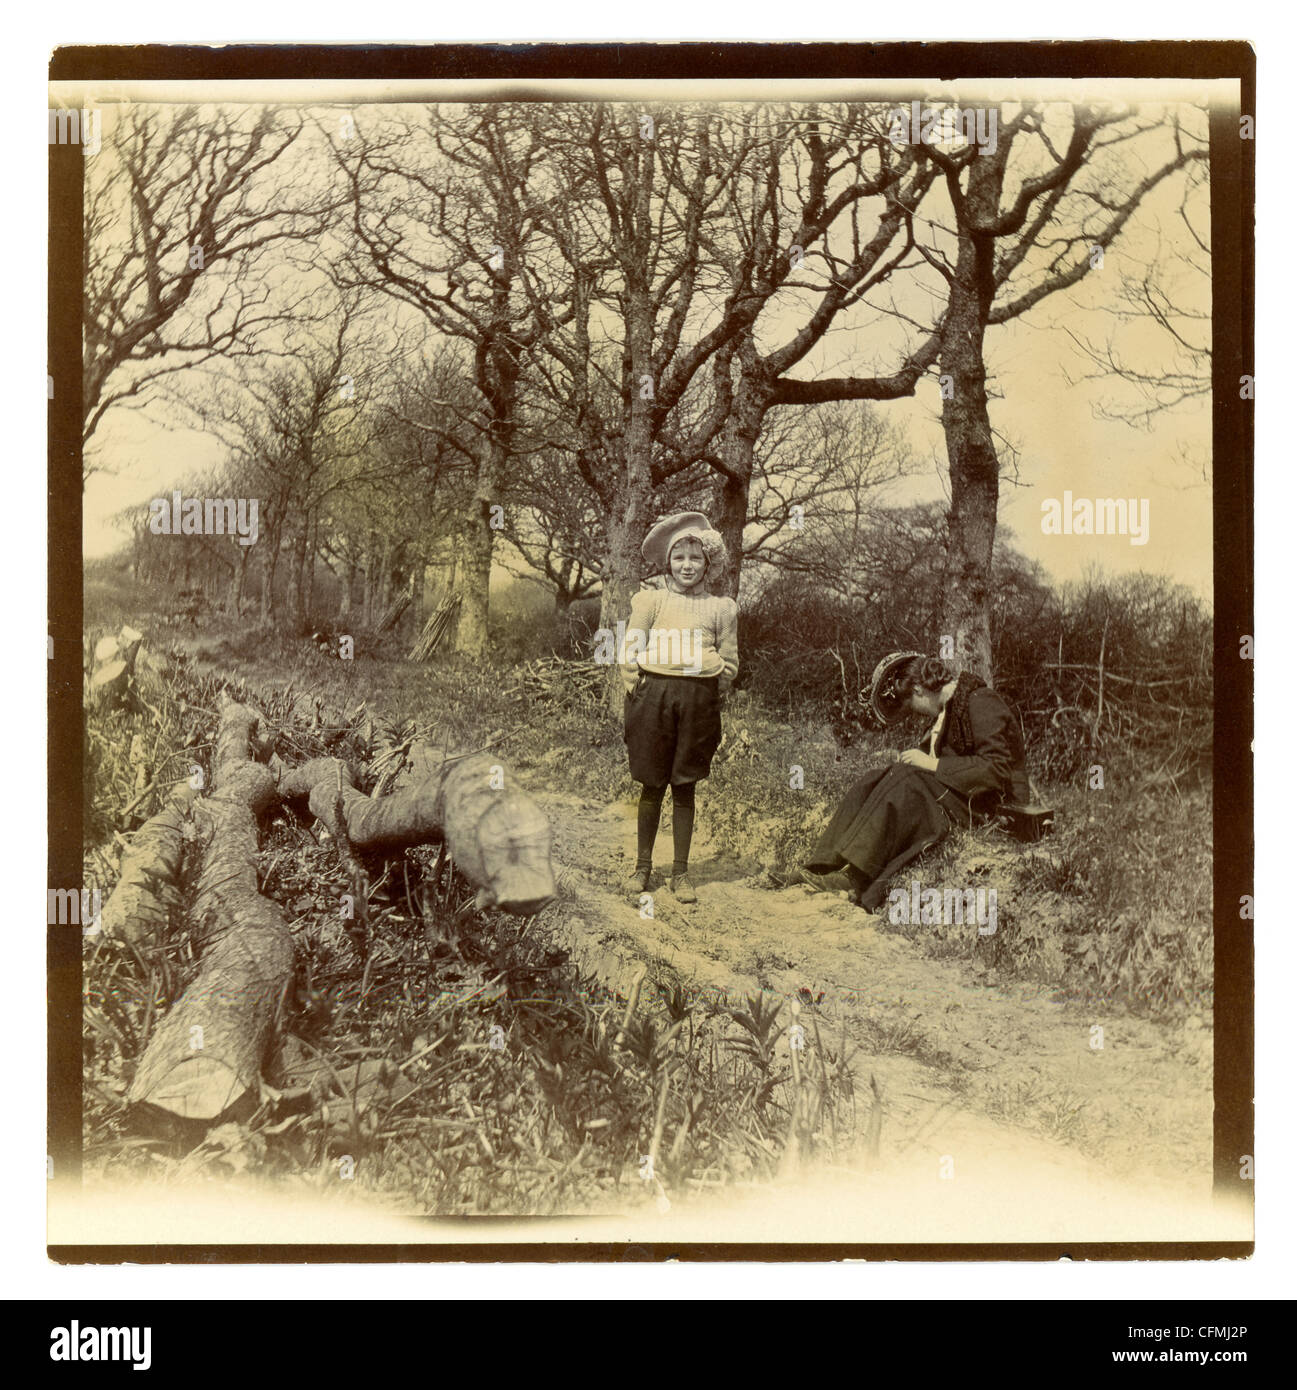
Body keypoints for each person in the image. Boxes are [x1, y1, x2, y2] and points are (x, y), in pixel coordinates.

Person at [794, 651, 1030, 912]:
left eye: (911, 706)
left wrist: (932, 764)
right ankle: (823, 865)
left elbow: (995, 769)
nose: (915, 714)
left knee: (907, 778)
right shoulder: (949, 708)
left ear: (918, 690)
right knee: (875, 778)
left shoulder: (981, 700)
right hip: (965, 796)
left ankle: (855, 878)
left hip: (994, 808)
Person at [619, 511, 739, 904]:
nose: (687, 566)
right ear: (668, 562)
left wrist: (711, 693)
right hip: (653, 697)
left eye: (695, 558)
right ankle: (642, 867)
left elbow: (730, 661)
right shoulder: (650, 600)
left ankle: (681, 873)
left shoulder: (722, 608)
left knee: (684, 786)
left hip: (699, 702)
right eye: (679, 558)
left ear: (709, 563)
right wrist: (636, 686)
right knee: (652, 785)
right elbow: (630, 649)